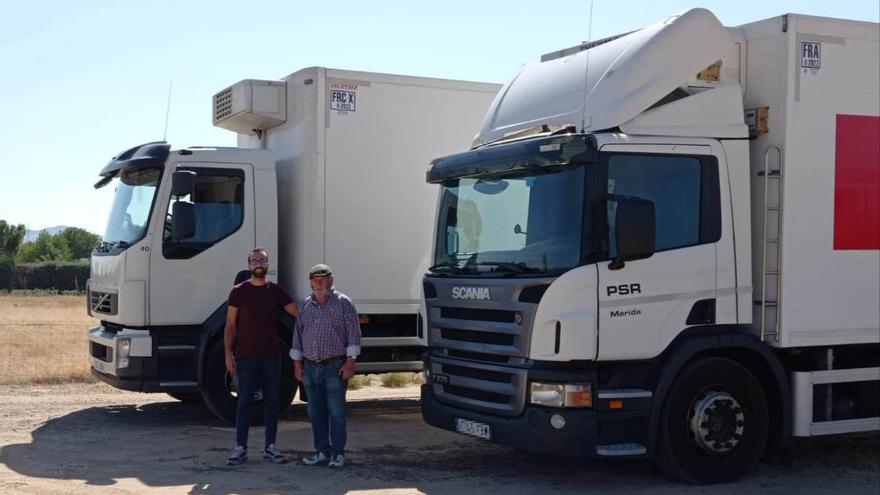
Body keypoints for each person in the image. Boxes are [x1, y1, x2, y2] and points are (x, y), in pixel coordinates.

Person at [225, 247, 298, 466]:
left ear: (268, 265)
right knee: (244, 401)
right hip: (246, 356)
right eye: (255, 260)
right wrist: (228, 354)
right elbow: (230, 325)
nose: (259, 263)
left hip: (271, 356)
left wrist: (323, 306)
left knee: (272, 402)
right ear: (249, 265)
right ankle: (240, 447)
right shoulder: (238, 291)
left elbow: (297, 311)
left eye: (263, 260)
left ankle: (271, 447)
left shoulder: (276, 291)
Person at [291, 263, 362, 468]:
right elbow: (298, 336)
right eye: (316, 280)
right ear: (311, 283)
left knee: (336, 412)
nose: (320, 284)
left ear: (331, 280)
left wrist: (350, 363)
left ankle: (338, 453)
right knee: (315, 413)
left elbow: (354, 335)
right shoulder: (304, 306)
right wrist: (297, 364)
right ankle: (321, 451)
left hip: (335, 367)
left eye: (324, 279)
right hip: (310, 367)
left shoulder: (343, 303)